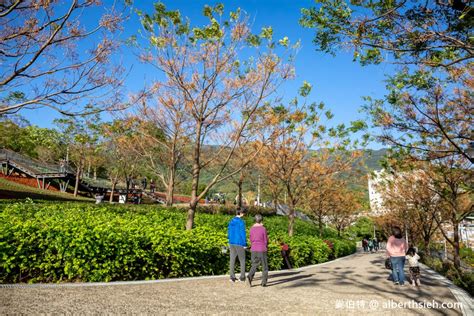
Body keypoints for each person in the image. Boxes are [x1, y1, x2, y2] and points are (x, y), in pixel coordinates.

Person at [247, 214, 269, 287]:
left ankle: (250, 276)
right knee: (264, 266)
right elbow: (266, 240)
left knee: (254, 264)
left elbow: (250, 239)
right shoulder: (263, 229)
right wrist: (266, 247)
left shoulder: (251, 229)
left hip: (253, 249)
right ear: (261, 220)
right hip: (262, 248)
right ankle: (263, 283)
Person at [227, 208, 247, 282]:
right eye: (243, 213)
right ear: (241, 213)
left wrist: (229, 240)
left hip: (232, 242)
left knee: (232, 260)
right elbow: (243, 234)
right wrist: (244, 244)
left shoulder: (231, 221)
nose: (244, 214)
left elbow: (228, 232)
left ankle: (232, 277)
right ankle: (242, 277)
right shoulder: (241, 222)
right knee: (242, 260)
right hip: (239, 242)